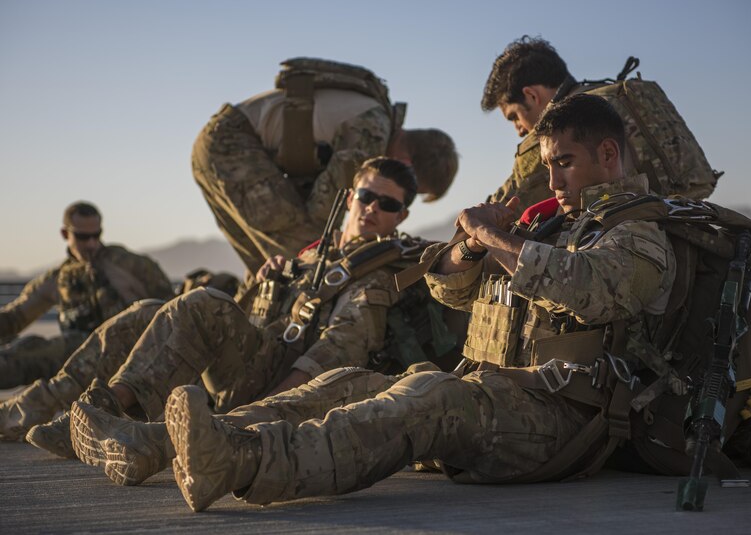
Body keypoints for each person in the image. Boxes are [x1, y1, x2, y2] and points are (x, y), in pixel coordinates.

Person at [138, 94, 693, 512]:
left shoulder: (638, 231)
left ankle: (239, 463)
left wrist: (497, 237)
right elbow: (450, 289)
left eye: (564, 162)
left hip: (564, 421)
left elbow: (592, 291)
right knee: (348, 383)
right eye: (547, 164)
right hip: (497, 395)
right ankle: (183, 442)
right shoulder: (553, 225)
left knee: (431, 397)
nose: (552, 179)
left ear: (608, 153)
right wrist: (471, 246)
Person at [19, 159, 436, 468]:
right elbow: (254, 317)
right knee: (147, 311)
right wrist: (264, 282)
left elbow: (340, 347)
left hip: (280, 387)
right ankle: (86, 410)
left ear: (401, 216)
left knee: (204, 303)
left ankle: (109, 414)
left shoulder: (378, 272)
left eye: (386, 203)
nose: (371, 208)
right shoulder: (312, 257)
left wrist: (267, 408)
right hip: (250, 364)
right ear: (349, 198)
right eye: (366, 196)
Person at [192, 58, 459, 275]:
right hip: (232, 144)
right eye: (411, 190)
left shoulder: (378, 119)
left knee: (267, 261)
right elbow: (326, 210)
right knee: (309, 251)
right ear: (407, 165)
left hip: (219, 141)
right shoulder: (371, 134)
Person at [0, 202, 174, 391]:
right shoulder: (57, 279)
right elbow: (14, 318)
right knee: (26, 352)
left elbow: (173, 309)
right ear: (65, 234)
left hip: (132, 357)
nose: (91, 244)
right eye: (82, 237)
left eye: (96, 235)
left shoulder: (131, 265)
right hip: (79, 360)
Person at [482, 36, 573, 213]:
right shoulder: (621, 96)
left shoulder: (555, 135)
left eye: (514, 117)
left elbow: (500, 212)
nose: (519, 130)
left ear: (531, 95)